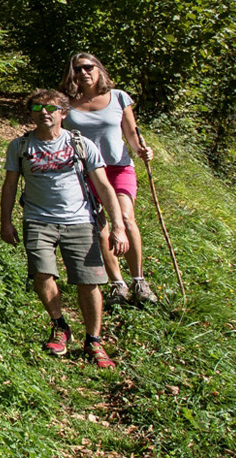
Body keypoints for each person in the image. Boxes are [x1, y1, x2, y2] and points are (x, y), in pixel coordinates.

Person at [1, 90, 130, 367]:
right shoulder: (20, 146)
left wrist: (118, 226)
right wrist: (6, 221)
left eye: (51, 108)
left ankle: (93, 341)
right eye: (37, 107)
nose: (44, 112)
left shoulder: (80, 144)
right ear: (31, 113)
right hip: (37, 219)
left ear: (63, 113)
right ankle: (60, 325)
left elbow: (104, 186)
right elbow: (10, 186)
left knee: (88, 282)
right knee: (41, 274)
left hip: (80, 221)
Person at [60, 52, 157, 305]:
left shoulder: (119, 97)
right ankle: (118, 284)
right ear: (71, 74)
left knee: (125, 218)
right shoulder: (66, 104)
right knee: (100, 228)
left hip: (118, 167)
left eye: (88, 67)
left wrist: (142, 151)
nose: (83, 72)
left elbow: (131, 134)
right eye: (77, 69)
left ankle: (139, 281)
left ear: (98, 69)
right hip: (86, 172)